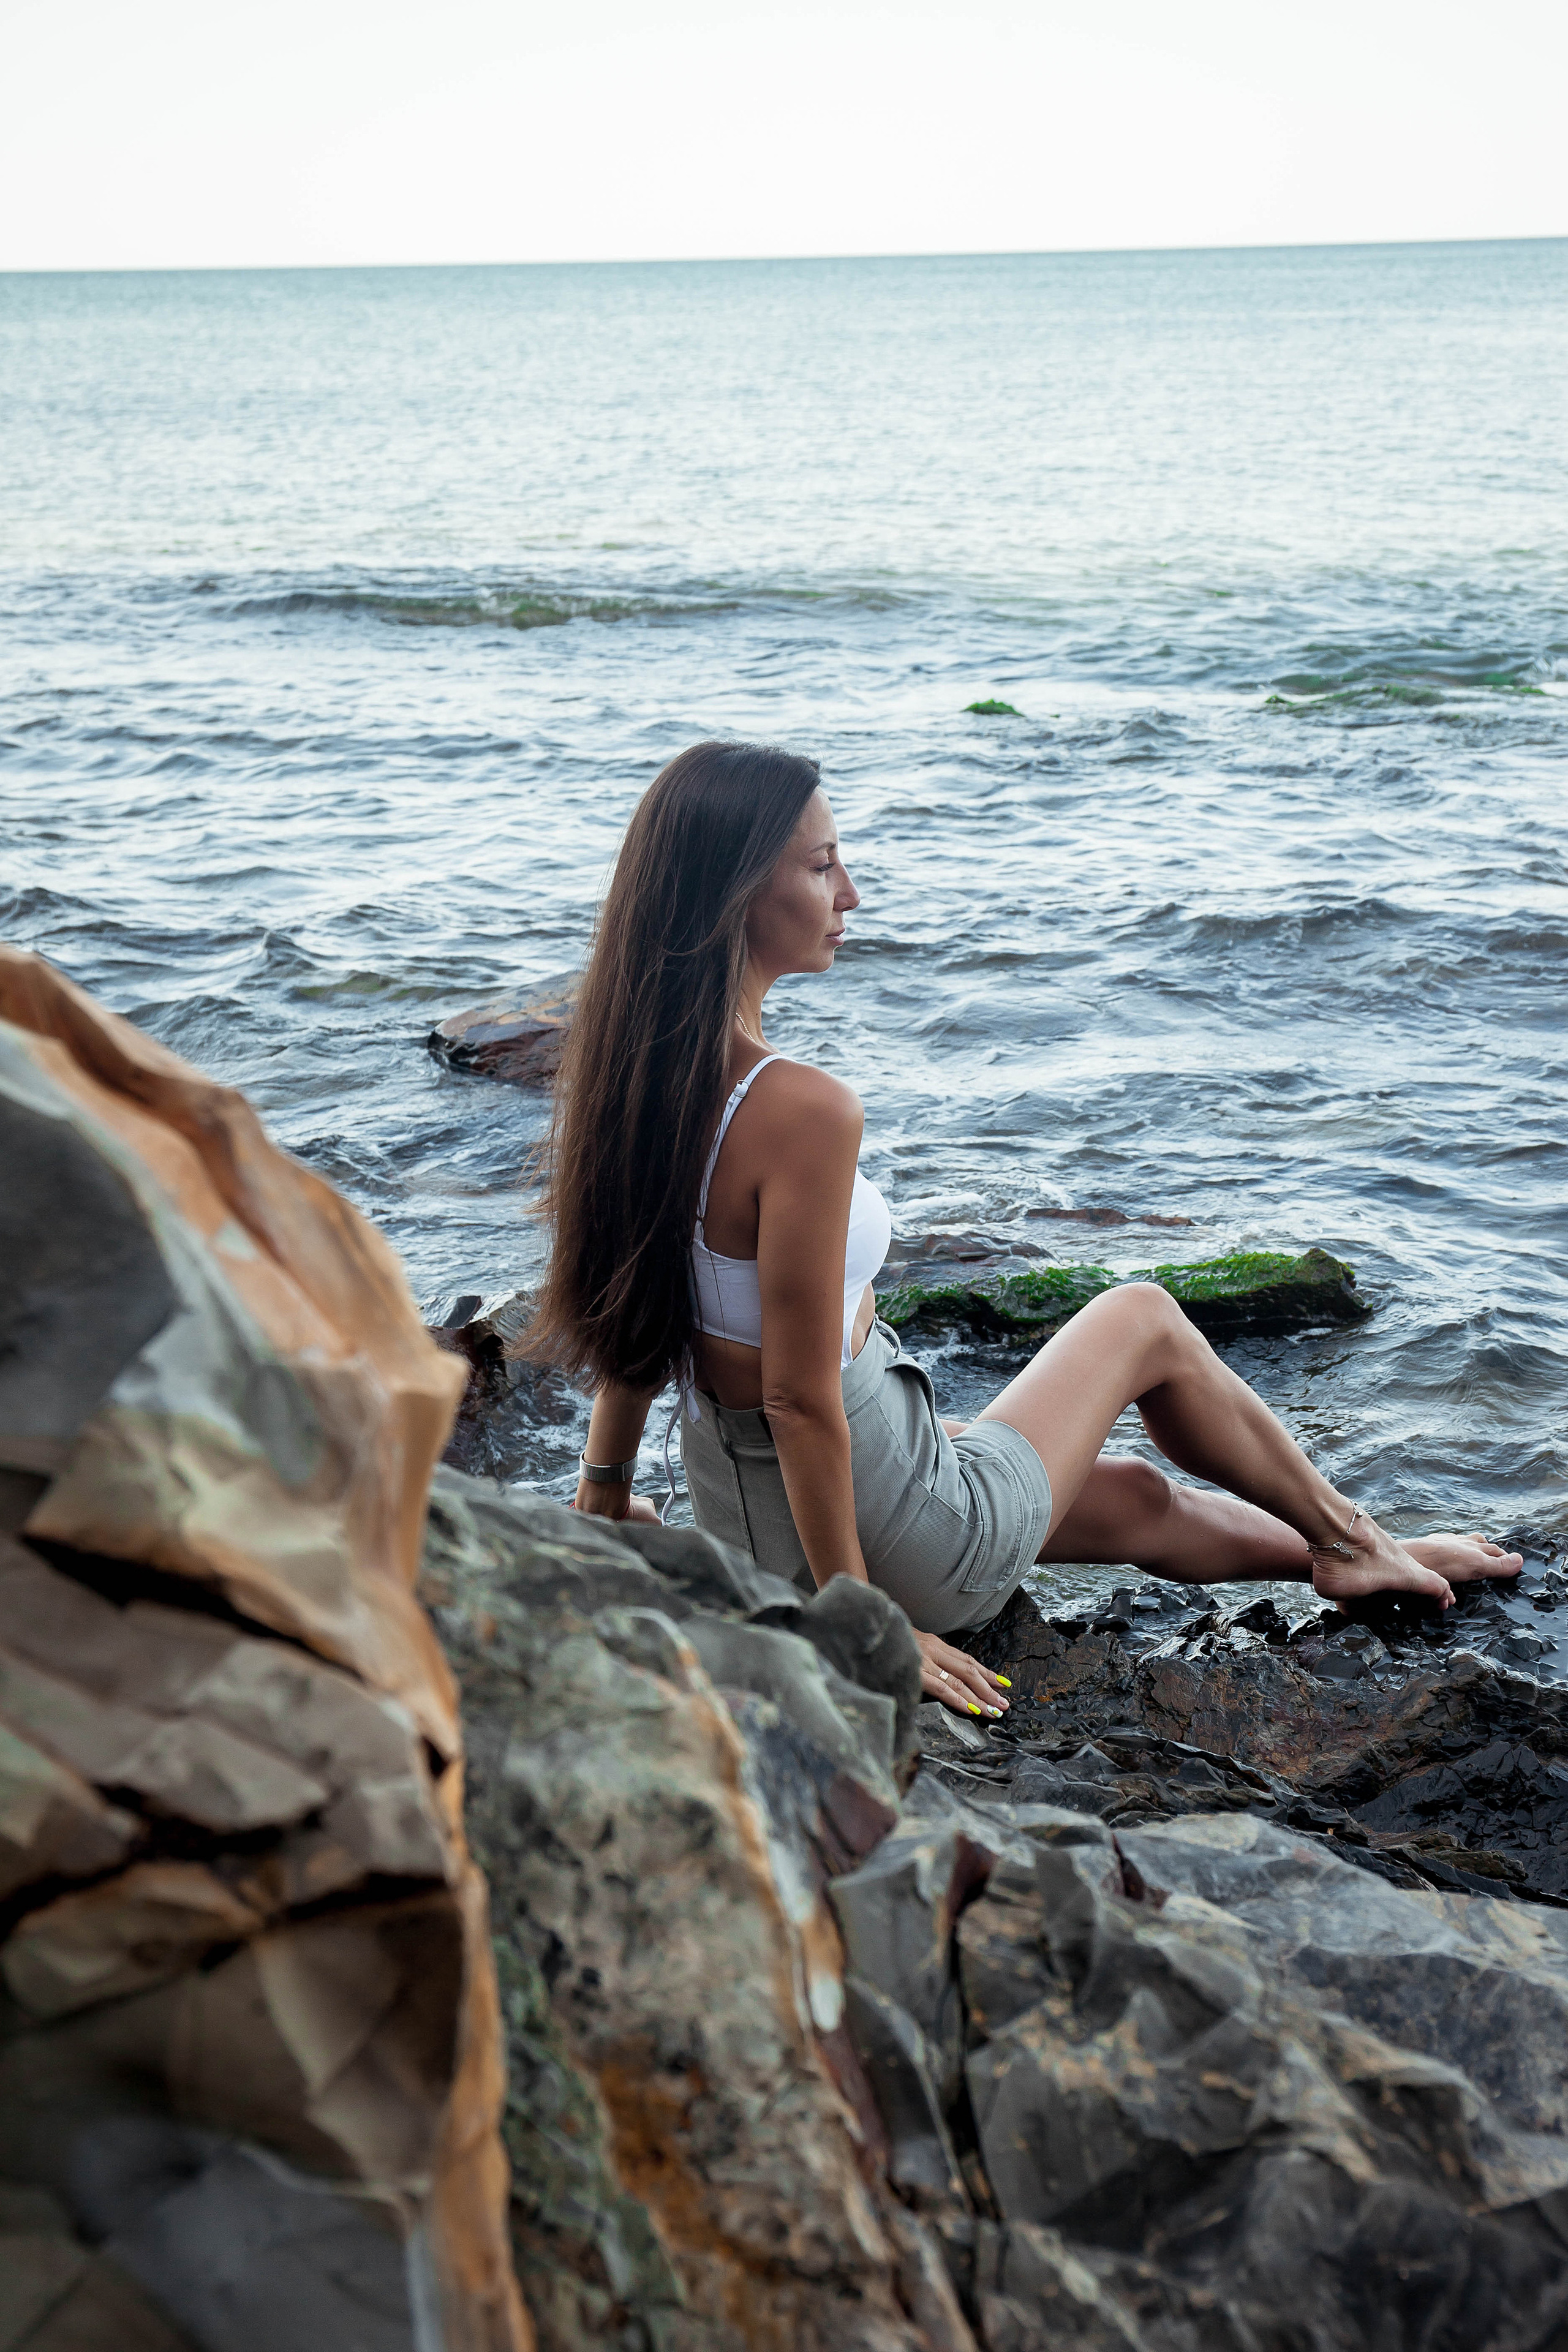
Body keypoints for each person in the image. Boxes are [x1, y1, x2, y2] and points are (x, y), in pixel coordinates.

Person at [530, 741, 1521, 1719]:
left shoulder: (634, 1080)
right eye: (823, 864)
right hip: (877, 1551)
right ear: (734, 889)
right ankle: (1350, 1536)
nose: (852, 894)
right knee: (1142, 1317)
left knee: (1128, 1491)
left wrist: (604, 1495)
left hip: (754, 1534)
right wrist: (859, 1618)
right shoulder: (798, 1108)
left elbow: (637, 1317)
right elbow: (797, 1399)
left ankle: (1358, 1554)